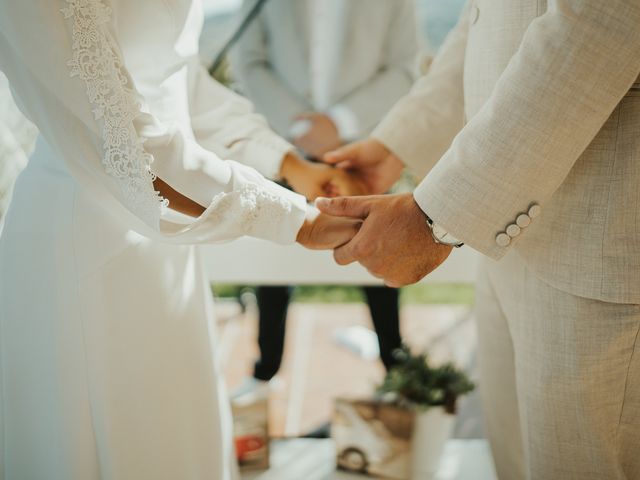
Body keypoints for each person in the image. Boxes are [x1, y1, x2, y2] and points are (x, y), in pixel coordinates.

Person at [0, 1, 362, 478]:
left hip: (165, 245)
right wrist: (298, 222)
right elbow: (129, 146)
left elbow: (177, 81)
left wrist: (288, 164)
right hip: (89, 243)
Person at [317, 1, 640, 478]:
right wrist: (398, 144)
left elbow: (602, 22)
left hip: (593, 250)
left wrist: (438, 216)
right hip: (508, 245)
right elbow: (485, 21)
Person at [229, 0, 418, 395]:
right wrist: (301, 126)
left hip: (361, 147)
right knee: (273, 258)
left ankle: (396, 369)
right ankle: (266, 371)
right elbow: (249, 60)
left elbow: (403, 67)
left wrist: (338, 123)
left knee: (380, 258)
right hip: (284, 147)